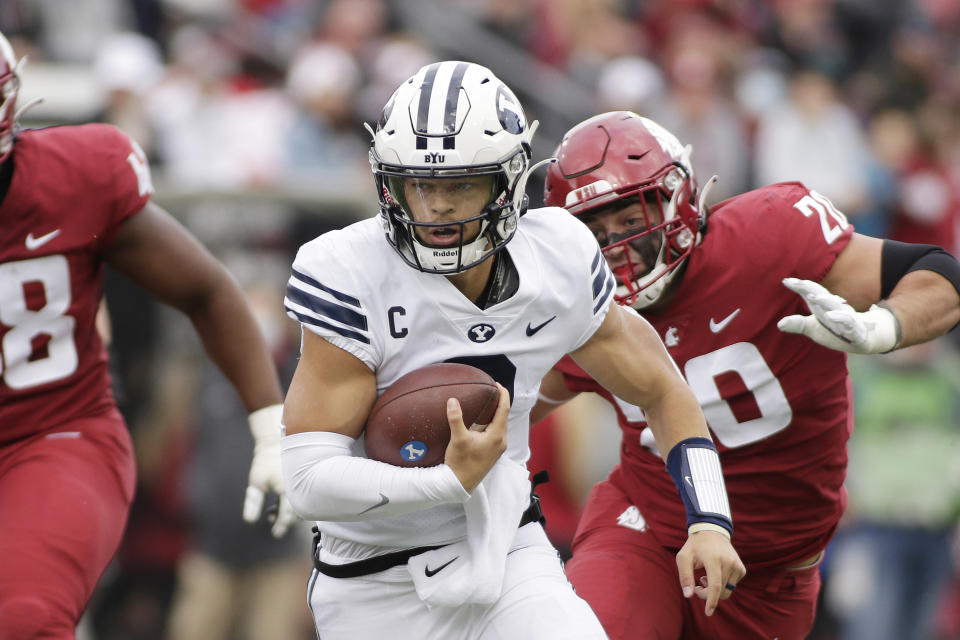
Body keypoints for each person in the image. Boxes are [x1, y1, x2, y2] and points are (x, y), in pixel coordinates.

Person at [280, 61, 745, 640]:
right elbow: (306, 479)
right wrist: (446, 483)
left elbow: (660, 388)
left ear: (508, 181)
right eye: (419, 185)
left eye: (460, 184)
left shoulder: (559, 258)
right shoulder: (349, 271)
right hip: (374, 581)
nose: (437, 207)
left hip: (505, 546)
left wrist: (710, 520)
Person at [535, 110, 960, 640]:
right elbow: (508, 402)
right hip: (646, 527)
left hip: (771, 570)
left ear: (676, 197)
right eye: (593, 230)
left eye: (628, 218)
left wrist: (881, 326)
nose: (616, 245)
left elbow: (941, 275)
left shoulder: (770, 236)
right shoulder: (582, 309)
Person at [0, 32, 293, 638]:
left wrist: (270, 422)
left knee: (22, 620)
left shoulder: (71, 179)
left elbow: (205, 289)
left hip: (49, 432)